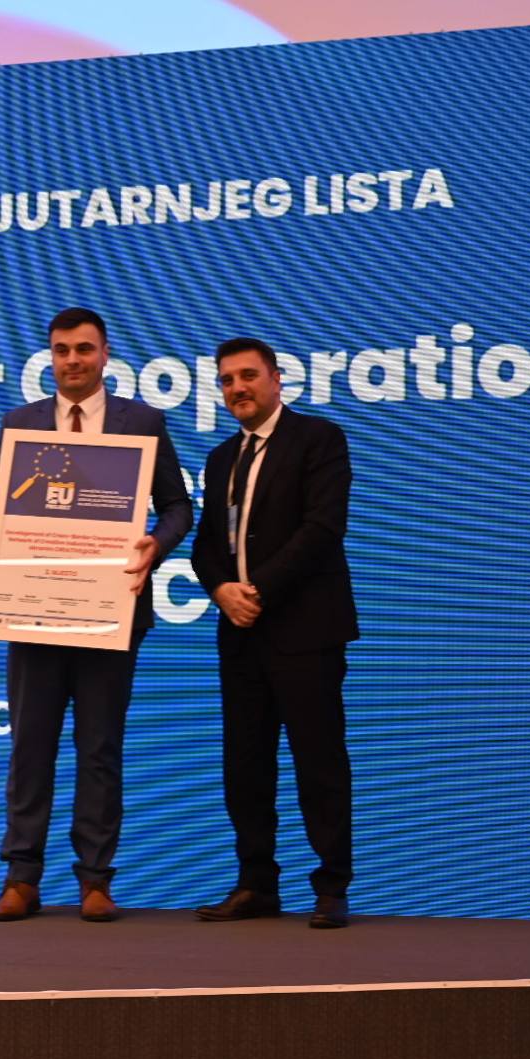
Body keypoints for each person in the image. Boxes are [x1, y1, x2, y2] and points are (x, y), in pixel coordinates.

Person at [0, 307, 193, 922]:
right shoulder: (21, 423)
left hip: (109, 611)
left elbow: (178, 507)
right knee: (30, 748)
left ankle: (96, 880)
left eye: (84, 349)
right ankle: (22, 878)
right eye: (62, 350)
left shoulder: (141, 422)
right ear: (50, 357)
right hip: (31, 609)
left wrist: (156, 544)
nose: (73, 360)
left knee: (99, 750)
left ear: (105, 354)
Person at [190, 337, 359, 928]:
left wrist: (255, 590)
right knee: (245, 766)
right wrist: (220, 589)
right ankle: (256, 884)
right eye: (227, 380)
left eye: (248, 376)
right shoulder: (220, 459)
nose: (237, 388)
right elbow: (206, 544)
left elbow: (323, 528)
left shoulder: (319, 438)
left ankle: (331, 886)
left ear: (277, 379)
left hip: (305, 629)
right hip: (239, 633)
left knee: (319, 761)